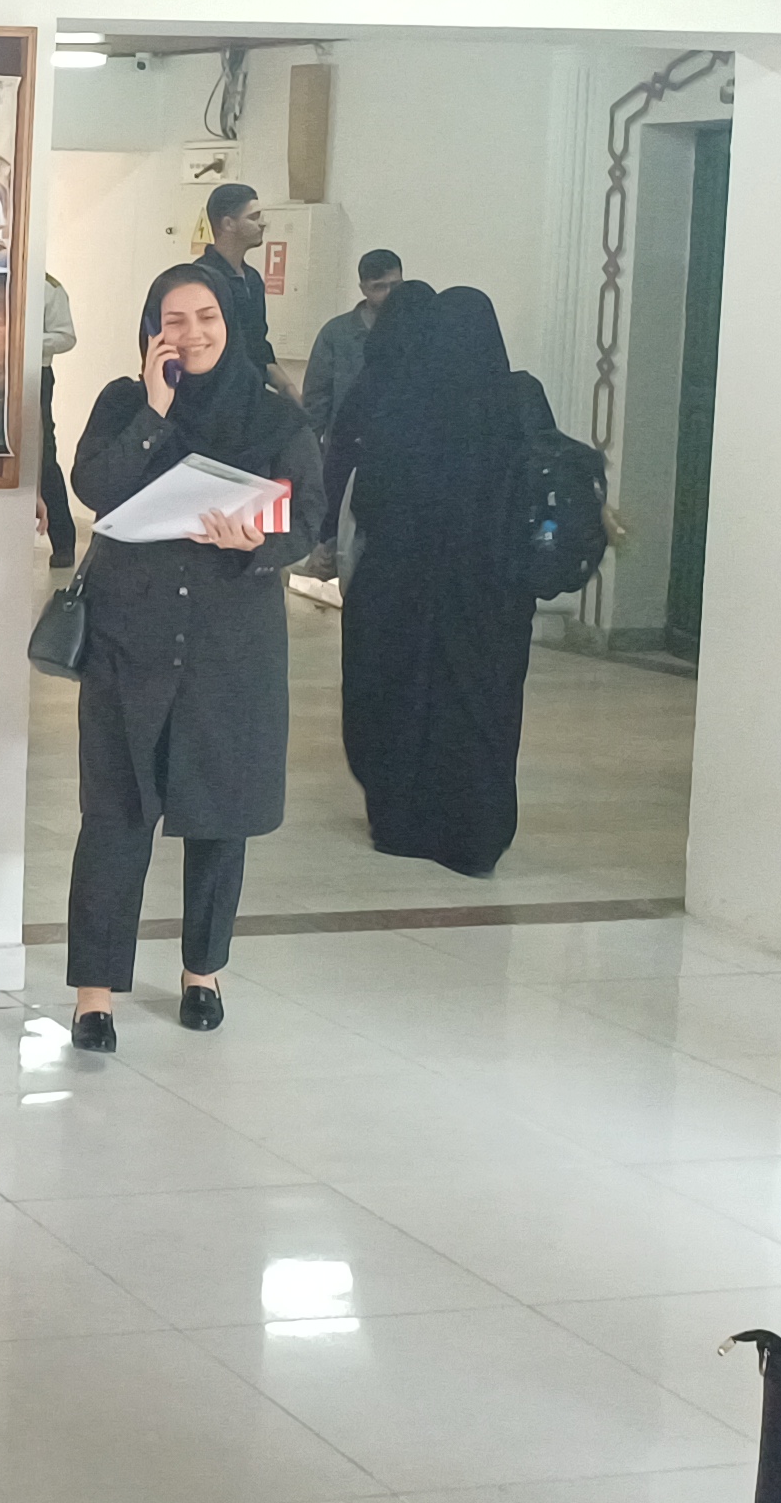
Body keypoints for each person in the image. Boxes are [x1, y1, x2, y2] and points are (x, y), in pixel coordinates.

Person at [63, 266, 320, 1050]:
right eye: (172, 320)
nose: (192, 333)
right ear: (151, 331)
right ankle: (95, 993)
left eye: (205, 316)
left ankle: (202, 973)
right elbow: (95, 487)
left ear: (229, 321)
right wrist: (155, 410)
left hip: (230, 642)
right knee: (115, 811)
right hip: (129, 638)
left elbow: (307, 518)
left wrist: (257, 542)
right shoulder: (122, 402)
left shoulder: (273, 415)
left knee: (220, 811)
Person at [339, 283, 541, 875]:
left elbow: (371, 497)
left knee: (401, 701)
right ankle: (477, 831)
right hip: (493, 596)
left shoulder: (406, 404)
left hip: (402, 587)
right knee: (485, 708)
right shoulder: (520, 402)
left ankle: (402, 821)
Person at [298, 246, 405, 570]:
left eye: (395, 285)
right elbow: (316, 402)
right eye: (379, 287)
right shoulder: (338, 334)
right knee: (336, 549)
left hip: (396, 456)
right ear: (363, 288)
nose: (388, 294)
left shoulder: (413, 332)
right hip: (345, 457)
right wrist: (312, 459)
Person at [191, 181, 277, 380]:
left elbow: (258, 346)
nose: (262, 223)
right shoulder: (200, 279)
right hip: (215, 390)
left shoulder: (252, 279)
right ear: (228, 224)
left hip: (251, 389)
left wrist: (288, 389)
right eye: (253, 217)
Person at [33, 273, 79, 568]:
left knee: (44, 457)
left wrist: (26, 339)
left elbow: (66, 336)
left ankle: (63, 543)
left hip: (35, 374)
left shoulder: (49, 287)